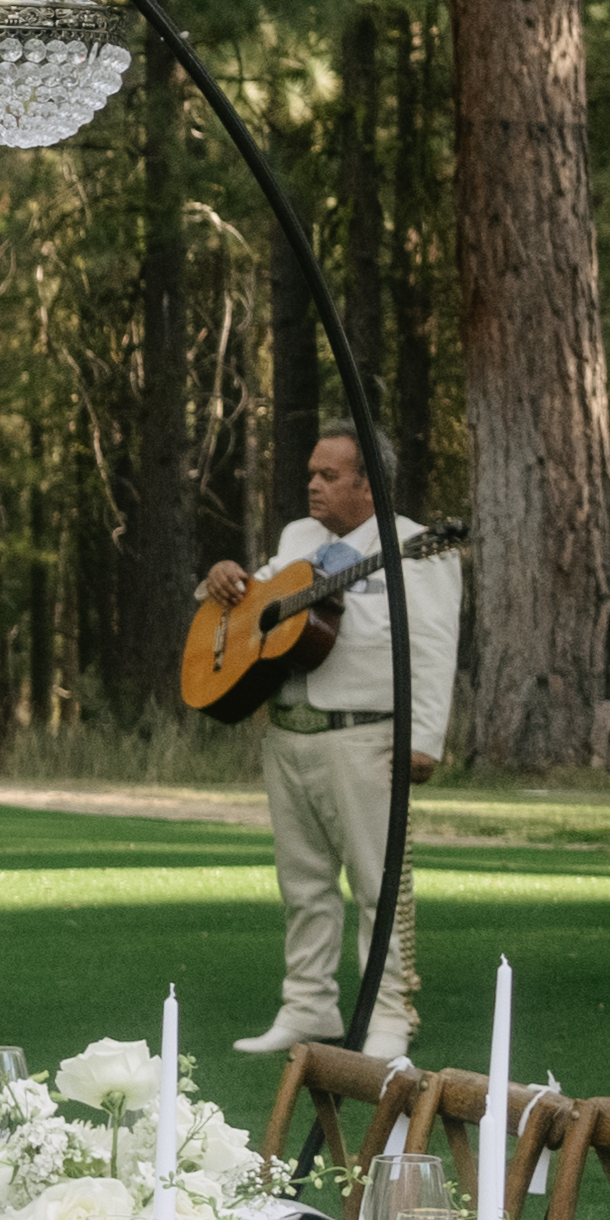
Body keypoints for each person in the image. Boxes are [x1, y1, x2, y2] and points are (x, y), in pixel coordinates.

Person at [205, 425, 424, 1047]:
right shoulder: (298, 538)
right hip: (289, 731)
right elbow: (252, 599)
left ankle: (387, 1018)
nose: (313, 485)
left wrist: (425, 737)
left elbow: (431, 646)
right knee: (303, 884)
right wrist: (221, 577)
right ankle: (308, 1007)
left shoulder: (413, 545)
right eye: (311, 473)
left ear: (367, 483)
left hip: (366, 736)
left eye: (329, 476)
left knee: (380, 885)